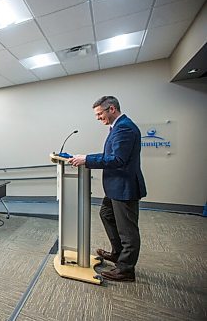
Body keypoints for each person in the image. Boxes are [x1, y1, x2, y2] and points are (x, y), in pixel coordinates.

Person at [68, 96, 146, 282]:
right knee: (106, 214)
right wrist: (85, 156)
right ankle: (118, 253)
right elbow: (108, 155)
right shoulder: (117, 127)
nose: (98, 118)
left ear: (111, 109)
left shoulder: (124, 127)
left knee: (128, 231)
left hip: (124, 187)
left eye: (99, 113)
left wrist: (87, 160)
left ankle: (126, 269)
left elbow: (118, 160)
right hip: (115, 187)